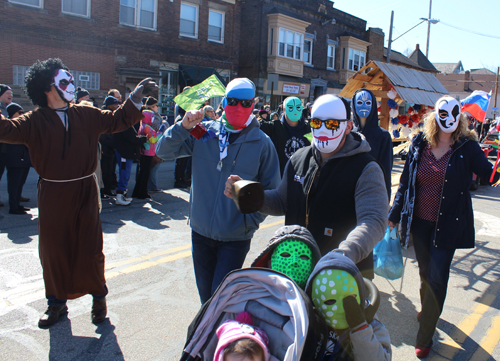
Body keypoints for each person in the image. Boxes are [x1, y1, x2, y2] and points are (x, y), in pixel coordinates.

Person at [0, 58, 157, 328]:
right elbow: (5, 129)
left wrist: (134, 97)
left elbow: (119, 119)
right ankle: (56, 304)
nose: (71, 84)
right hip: (53, 192)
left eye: (71, 80)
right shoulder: (33, 120)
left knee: (90, 247)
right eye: (64, 81)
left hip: (85, 189)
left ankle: (99, 299)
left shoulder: (86, 113)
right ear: (47, 88)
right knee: (53, 250)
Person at [226, 94, 387, 279]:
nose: (324, 129)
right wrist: (250, 194)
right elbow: (282, 201)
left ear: (348, 126)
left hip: (341, 275)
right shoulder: (299, 158)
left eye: (333, 124)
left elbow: (373, 220)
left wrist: (344, 255)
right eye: (317, 123)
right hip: (296, 266)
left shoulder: (366, 168)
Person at [156, 77, 280, 303]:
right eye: (233, 101)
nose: (239, 107)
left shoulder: (262, 143)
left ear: (253, 104)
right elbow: (163, 151)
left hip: (234, 238)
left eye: (246, 103)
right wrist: (183, 127)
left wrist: (249, 221)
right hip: (200, 232)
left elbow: (273, 192)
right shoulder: (204, 133)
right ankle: (209, 337)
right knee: (206, 299)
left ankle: (217, 335)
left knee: (220, 300)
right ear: (223, 102)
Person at [388, 95, 494, 358]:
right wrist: (393, 214)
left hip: (448, 224)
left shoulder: (467, 147)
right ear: (435, 116)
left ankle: (425, 336)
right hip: (420, 224)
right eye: (443, 115)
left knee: (437, 277)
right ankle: (428, 308)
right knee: (425, 273)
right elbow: (405, 183)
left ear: (460, 117)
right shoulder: (419, 143)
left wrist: (496, 171)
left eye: (453, 115)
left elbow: (488, 174)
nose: (448, 120)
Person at [305, 252, 392, 361]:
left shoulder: (373, 325)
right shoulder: (309, 325)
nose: (342, 309)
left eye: (350, 299)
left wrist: (361, 329)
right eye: (330, 301)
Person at [351, 89, 393, 199]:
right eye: (359, 102)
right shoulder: (349, 134)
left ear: (373, 105)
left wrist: (385, 198)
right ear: (353, 105)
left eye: (368, 102)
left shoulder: (383, 136)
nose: (364, 106)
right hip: (349, 192)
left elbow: (386, 170)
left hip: (372, 193)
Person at [251, 225, 321, 289]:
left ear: (313, 265)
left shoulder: (322, 299)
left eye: (304, 257)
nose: (294, 261)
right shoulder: (255, 297)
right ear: (270, 264)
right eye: (285, 255)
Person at [260, 96, 311, 177]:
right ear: (284, 110)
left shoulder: (309, 129)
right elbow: (254, 125)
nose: (295, 110)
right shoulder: (274, 127)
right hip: (279, 178)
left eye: (298, 107)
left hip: (302, 179)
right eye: (290, 107)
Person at [132, 109, 165, 199]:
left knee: (142, 173)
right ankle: (142, 193)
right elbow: (153, 139)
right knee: (145, 173)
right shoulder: (147, 127)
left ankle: (137, 192)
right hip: (148, 152)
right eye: (152, 117)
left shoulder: (142, 125)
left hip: (143, 151)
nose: (153, 119)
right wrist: (160, 132)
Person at [5, 103, 32, 214]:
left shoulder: (21, 125)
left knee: (20, 183)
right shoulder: (8, 125)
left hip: (23, 159)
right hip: (14, 159)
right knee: (14, 184)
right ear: (12, 114)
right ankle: (13, 207)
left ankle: (17, 204)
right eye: (19, 113)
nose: (22, 114)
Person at [173, 86, 192, 188]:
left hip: (185, 133)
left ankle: (181, 178)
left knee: (183, 160)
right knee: (181, 159)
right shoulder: (181, 104)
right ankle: (178, 180)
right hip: (182, 132)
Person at [0, 85, 14, 207]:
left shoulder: (10, 108)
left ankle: (15, 196)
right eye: (7, 93)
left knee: (11, 174)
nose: (11, 95)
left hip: (8, 148)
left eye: (11, 93)